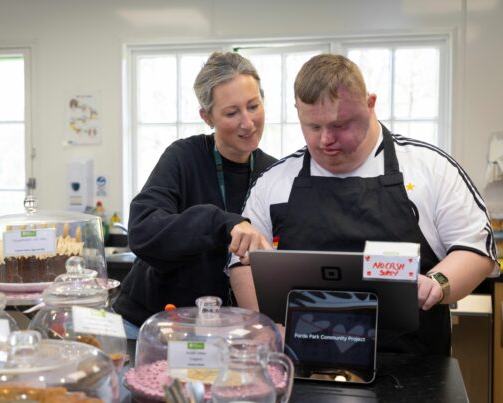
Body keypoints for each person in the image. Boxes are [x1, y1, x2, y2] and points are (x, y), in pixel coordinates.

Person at [229, 53, 499, 355]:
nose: (326, 139)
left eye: (340, 124)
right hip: (301, 362)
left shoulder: (430, 169)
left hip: (412, 369)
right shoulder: (275, 182)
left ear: (370, 103)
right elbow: (243, 263)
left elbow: (475, 251)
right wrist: (268, 328)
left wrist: (437, 282)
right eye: (313, 127)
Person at [113, 52, 277, 336]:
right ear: (206, 116)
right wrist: (222, 223)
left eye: (253, 106)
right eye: (231, 112)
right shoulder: (183, 157)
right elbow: (143, 230)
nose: (248, 123)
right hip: (151, 325)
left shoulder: (273, 173)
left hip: (226, 331)